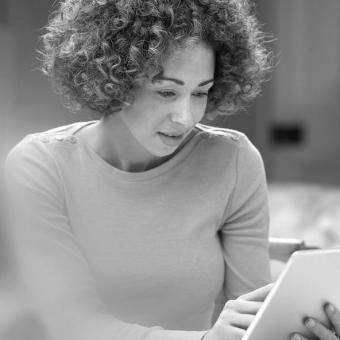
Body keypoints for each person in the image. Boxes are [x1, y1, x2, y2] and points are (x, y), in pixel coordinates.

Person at [3, 1, 339, 340]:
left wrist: (297, 329)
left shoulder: (233, 160)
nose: (185, 116)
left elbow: (253, 316)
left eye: (200, 93)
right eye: (166, 91)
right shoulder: (40, 166)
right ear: (114, 80)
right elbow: (72, 326)